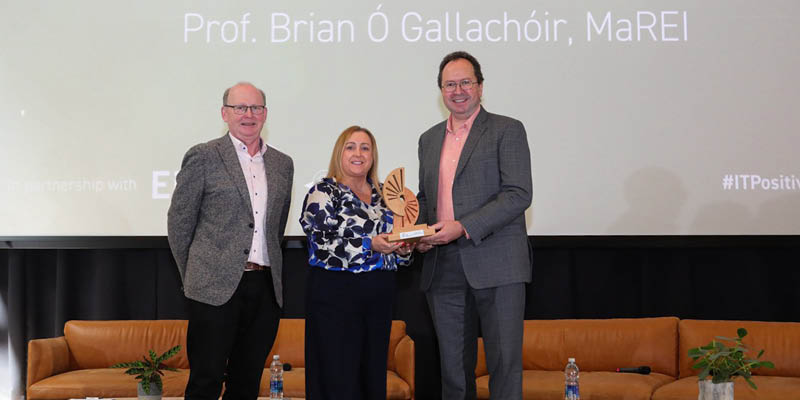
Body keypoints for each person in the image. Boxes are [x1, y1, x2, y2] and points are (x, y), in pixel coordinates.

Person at [416, 51, 533, 400]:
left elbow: (518, 194)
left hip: (498, 264)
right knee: (453, 373)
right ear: (441, 91)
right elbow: (426, 198)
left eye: (466, 82)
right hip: (442, 268)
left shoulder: (507, 130)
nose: (458, 90)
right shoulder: (429, 139)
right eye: (450, 84)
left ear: (480, 87)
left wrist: (463, 226)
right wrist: (417, 234)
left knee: (504, 367)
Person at [167, 82, 293, 400]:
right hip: (212, 288)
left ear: (265, 114)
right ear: (225, 113)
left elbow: (275, 227)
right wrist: (197, 276)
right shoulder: (204, 156)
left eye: (256, 108)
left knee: (246, 382)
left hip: (264, 289)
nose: (248, 114)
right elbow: (180, 224)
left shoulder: (282, 164)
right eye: (240, 108)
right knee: (205, 381)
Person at [299, 125, 412, 399]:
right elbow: (321, 244)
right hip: (335, 295)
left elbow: (401, 251)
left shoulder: (387, 194)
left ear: (373, 155)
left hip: (379, 294)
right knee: (337, 374)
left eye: (365, 147)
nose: (358, 153)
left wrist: (405, 247)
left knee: (371, 374)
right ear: (340, 153)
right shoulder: (324, 192)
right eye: (350, 147)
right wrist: (369, 243)